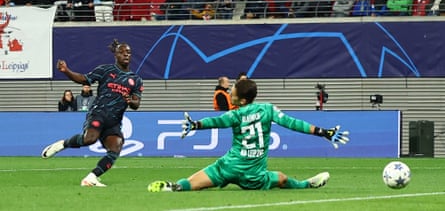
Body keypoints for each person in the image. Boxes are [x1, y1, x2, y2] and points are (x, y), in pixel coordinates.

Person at [147, 79, 349, 192]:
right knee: (281, 178)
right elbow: (293, 123)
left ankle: (174, 187)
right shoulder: (268, 109)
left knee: (192, 182)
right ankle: (306, 184)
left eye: (232, 91)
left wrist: (196, 125)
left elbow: (216, 121)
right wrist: (322, 132)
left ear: (242, 101)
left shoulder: (235, 114)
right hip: (254, 175)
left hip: (228, 167)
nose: (230, 92)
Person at [42, 39, 144, 187]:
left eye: (128, 52)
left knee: (115, 149)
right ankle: (62, 144)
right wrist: (67, 71)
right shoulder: (105, 70)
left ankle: (91, 178)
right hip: (99, 113)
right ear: (116, 55)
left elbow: (136, 104)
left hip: (114, 121)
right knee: (90, 139)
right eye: (122, 52)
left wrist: (130, 101)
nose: (126, 55)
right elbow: (84, 79)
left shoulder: (136, 80)